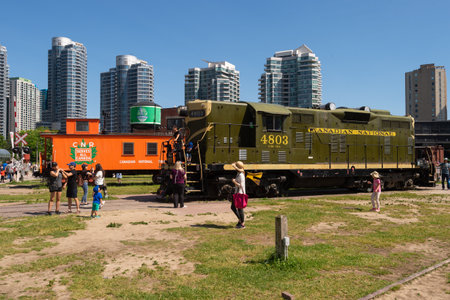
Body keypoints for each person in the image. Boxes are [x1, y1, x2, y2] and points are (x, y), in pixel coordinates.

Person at [231, 161, 246, 228]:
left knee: (239, 208)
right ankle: (240, 221)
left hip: (240, 193)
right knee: (234, 207)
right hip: (237, 193)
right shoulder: (239, 174)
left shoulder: (241, 175)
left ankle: (242, 223)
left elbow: (241, 185)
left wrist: (234, 182)